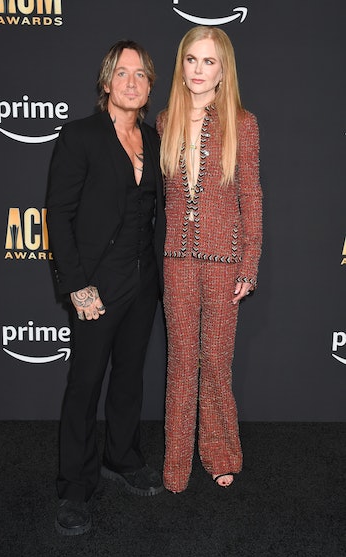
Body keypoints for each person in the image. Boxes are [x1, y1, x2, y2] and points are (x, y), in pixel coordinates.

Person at [46, 39, 166, 535]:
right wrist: (77, 286)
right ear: (105, 82)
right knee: (85, 383)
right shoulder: (80, 137)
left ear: (149, 85)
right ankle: (74, 485)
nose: (132, 81)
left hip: (143, 281)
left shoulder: (155, 139)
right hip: (96, 283)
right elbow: (59, 214)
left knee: (129, 375)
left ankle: (122, 455)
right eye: (122, 73)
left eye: (140, 74)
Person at [156, 26, 262, 493]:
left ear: (224, 70)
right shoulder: (163, 122)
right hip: (177, 257)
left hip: (224, 260)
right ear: (182, 65)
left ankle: (220, 452)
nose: (199, 70)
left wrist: (249, 263)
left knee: (216, 361)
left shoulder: (243, 122)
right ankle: (175, 462)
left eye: (209, 62)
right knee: (181, 361)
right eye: (192, 60)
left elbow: (251, 196)